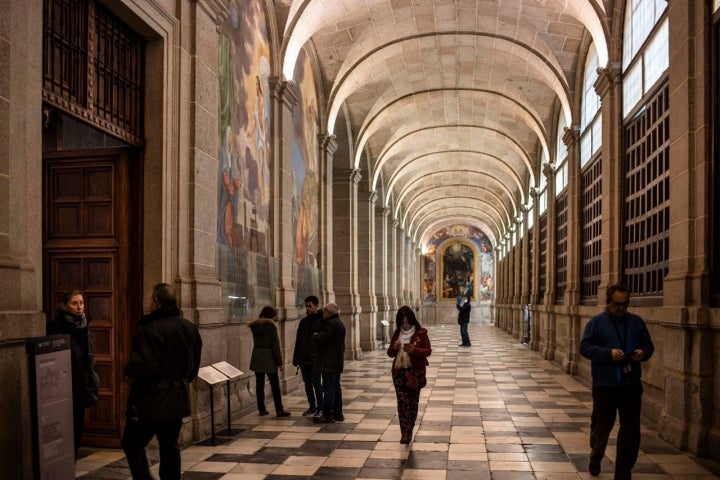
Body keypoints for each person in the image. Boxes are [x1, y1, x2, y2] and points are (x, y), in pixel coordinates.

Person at [122, 283, 203, 480]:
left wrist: (128, 368)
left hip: (151, 400)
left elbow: (143, 367)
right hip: (178, 397)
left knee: (131, 443)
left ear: (156, 301)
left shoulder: (151, 329)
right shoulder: (189, 327)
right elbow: (194, 367)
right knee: (169, 446)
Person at [580, 284, 654, 480]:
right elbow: (585, 348)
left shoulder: (636, 322)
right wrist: (607, 354)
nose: (621, 308)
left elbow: (648, 345)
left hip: (630, 385)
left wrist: (643, 353)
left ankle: (623, 471)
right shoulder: (596, 323)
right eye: (617, 304)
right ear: (608, 302)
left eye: (624, 304)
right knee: (601, 427)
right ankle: (596, 455)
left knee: (630, 430)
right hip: (605, 385)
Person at [46, 290, 99, 460]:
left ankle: (72, 463)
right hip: (61, 387)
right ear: (64, 306)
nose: (79, 307)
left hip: (80, 386)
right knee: (61, 428)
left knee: (77, 428)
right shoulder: (56, 327)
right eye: (74, 303)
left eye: (81, 303)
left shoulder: (84, 326)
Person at [386, 306, 432, 444]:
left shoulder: (421, 333)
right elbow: (390, 353)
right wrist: (394, 348)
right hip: (399, 373)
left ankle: (410, 427)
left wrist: (414, 350)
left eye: (407, 322)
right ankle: (404, 432)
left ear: (412, 320)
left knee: (412, 403)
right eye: (402, 322)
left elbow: (428, 351)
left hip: (415, 373)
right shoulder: (397, 333)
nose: (405, 325)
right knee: (402, 403)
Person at [249, 306, 291, 418]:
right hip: (269, 357)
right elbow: (275, 347)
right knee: (275, 385)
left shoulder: (254, 326)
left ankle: (261, 409)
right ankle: (279, 410)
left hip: (257, 356)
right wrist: (280, 363)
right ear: (271, 316)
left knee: (259, 384)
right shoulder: (271, 327)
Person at [312, 303, 346, 424]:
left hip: (329, 362)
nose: (323, 313)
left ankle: (328, 415)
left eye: (325, 311)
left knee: (329, 389)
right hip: (336, 361)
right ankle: (338, 413)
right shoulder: (339, 322)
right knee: (336, 387)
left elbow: (322, 338)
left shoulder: (330, 324)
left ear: (329, 313)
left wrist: (315, 335)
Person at [293, 295, 324, 416]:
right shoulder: (303, 322)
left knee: (316, 383)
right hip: (303, 358)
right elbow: (298, 341)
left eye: (310, 306)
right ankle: (312, 406)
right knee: (307, 383)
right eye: (306, 306)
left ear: (316, 306)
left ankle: (320, 407)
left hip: (315, 358)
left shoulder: (321, 320)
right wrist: (296, 358)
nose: (307, 308)